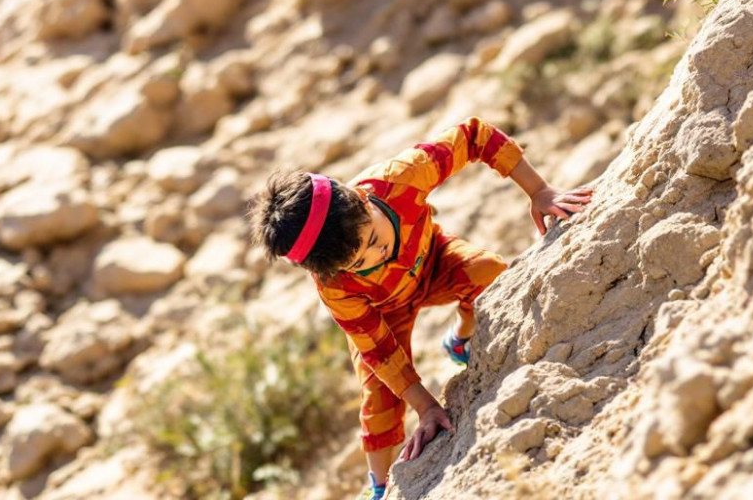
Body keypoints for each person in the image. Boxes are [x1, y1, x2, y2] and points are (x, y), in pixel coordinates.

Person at [248, 116, 595, 500]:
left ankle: (462, 338)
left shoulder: (398, 179)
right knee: (380, 395)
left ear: (363, 198)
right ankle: (379, 487)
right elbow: (378, 349)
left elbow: (474, 136)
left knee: (489, 272)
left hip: (435, 259)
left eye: (375, 240)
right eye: (359, 262)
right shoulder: (334, 284)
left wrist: (539, 190)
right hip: (384, 312)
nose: (376, 255)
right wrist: (426, 407)